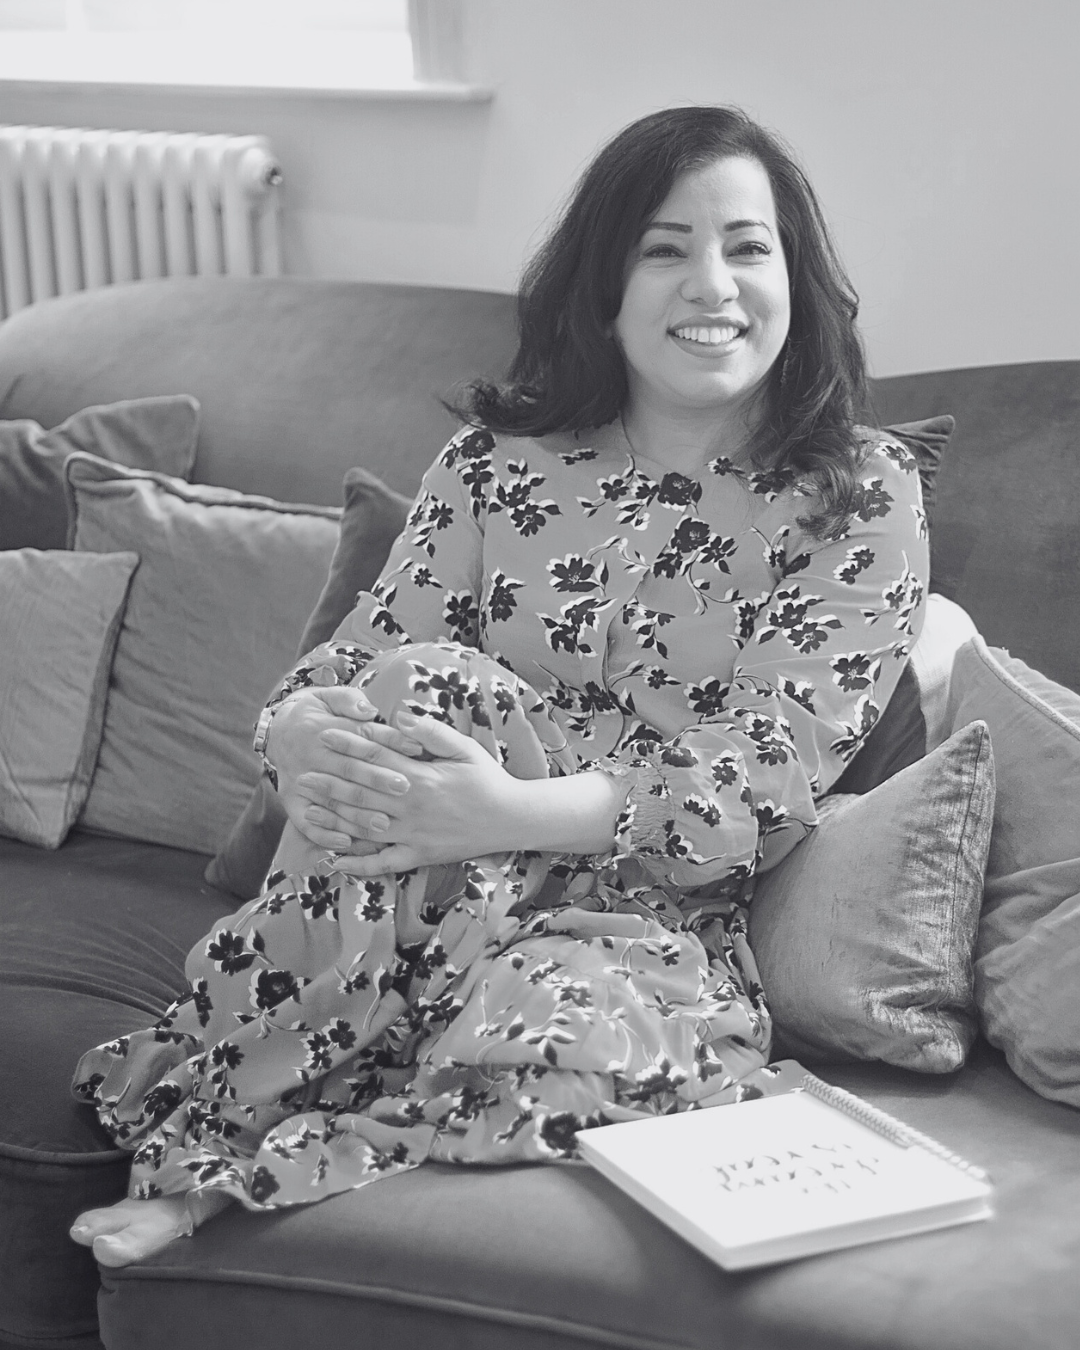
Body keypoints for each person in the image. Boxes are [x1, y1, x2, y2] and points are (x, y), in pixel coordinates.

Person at [71, 104, 928, 1267]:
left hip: (636, 915)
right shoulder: (493, 464)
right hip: (408, 886)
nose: (713, 284)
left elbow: (763, 776)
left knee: (554, 1055)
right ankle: (230, 1136)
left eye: (748, 246)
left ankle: (281, 1139)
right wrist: (300, 736)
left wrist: (502, 811)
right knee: (418, 685)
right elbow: (352, 668)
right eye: (665, 249)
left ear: (796, 277)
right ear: (605, 287)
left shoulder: (861, 492)